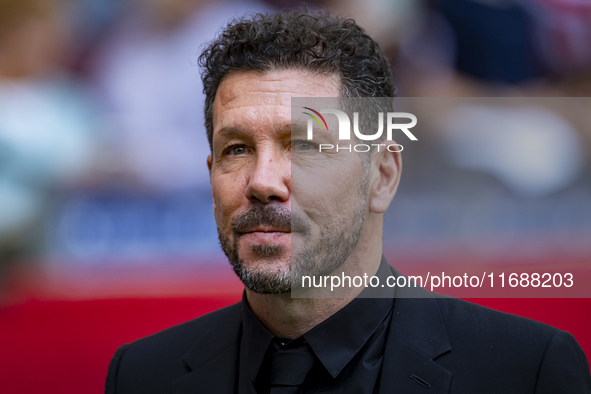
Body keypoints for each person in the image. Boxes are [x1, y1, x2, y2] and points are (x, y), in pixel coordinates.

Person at [105, 9, 591, 393]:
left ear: (381, 176)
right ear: (211, 175)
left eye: (305, 146)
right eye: (237, 149)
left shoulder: (525, 372)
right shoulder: (143, 376)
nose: (263, 181)